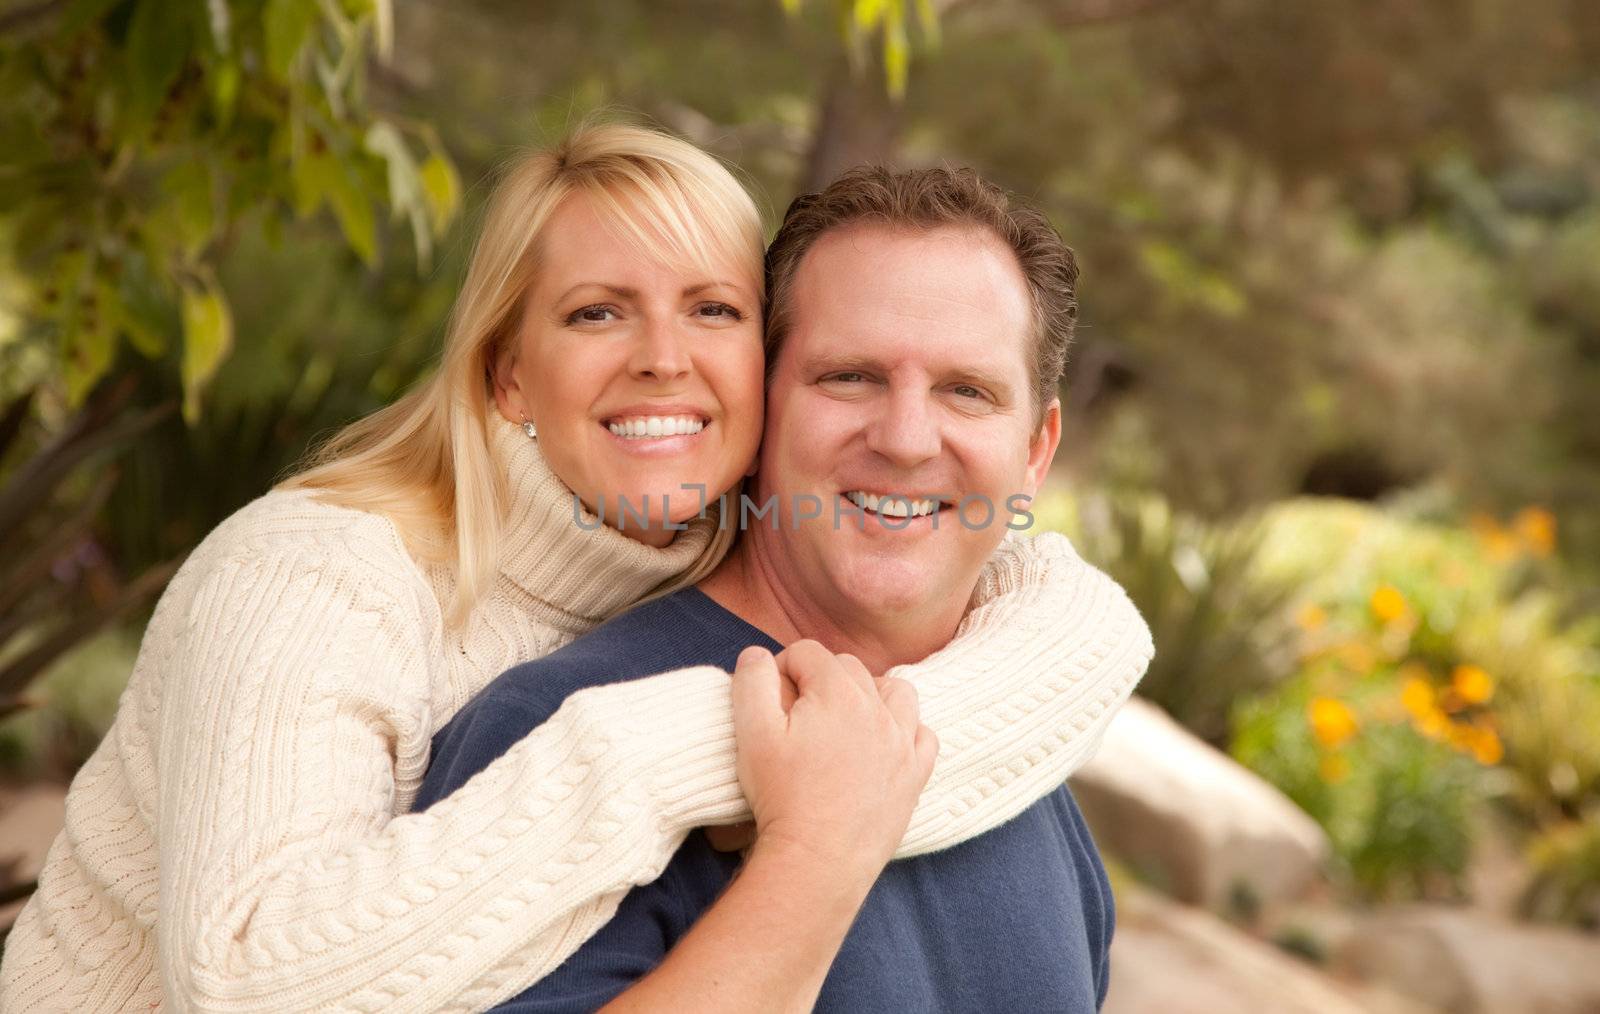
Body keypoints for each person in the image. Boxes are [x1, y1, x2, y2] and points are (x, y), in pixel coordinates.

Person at [0, 125, 1148, 1013]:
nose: (663, 361)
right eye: (849, 377)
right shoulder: (337, 590)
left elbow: (1063, 617)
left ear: (1038, 447)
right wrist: (740, 793)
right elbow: (244, 982)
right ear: (505, 374)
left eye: (709, 310)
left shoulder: (1007, 748)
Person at [418, 164, 1148, 1012]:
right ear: (762, 404)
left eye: (967, 391)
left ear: (1034, 452)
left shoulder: (1021, 775)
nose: (907, 439)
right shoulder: (555, 728)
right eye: (851, 377)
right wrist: (811, 856)